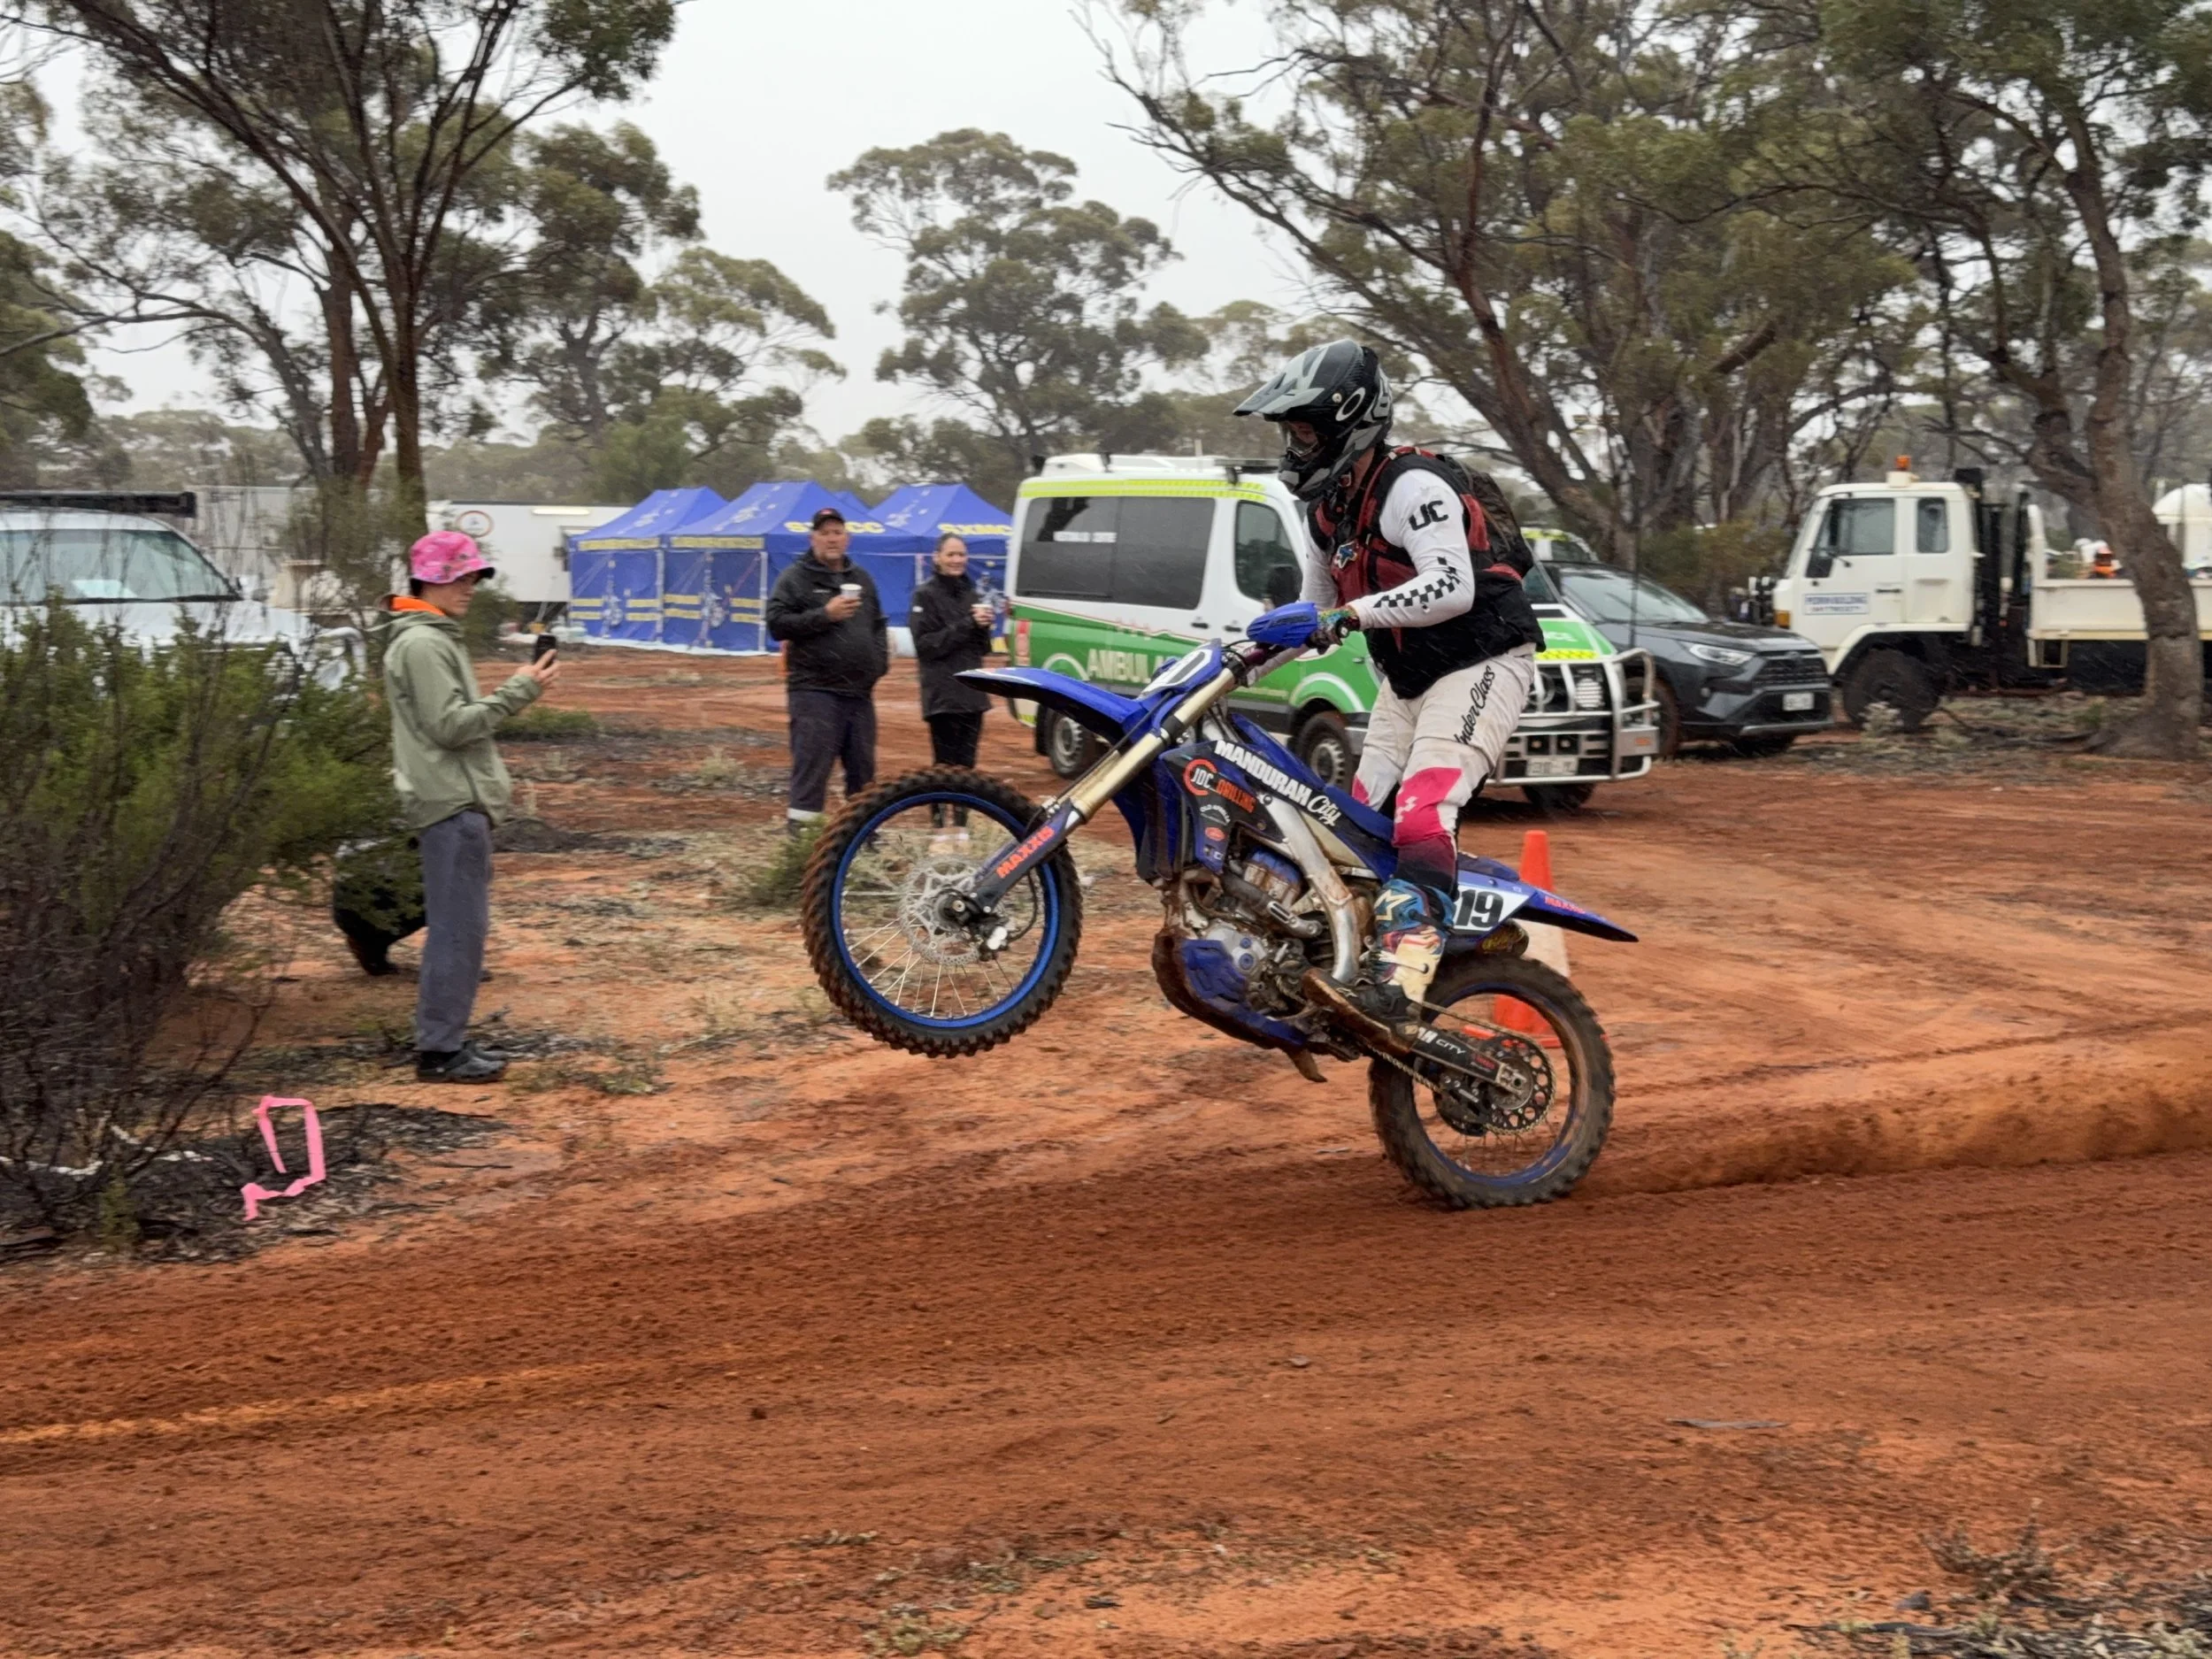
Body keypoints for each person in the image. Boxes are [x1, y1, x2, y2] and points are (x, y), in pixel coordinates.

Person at [1234, 339, 1543, 1024]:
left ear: (1350, 424)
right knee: (1352, 826)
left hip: (1481, 665)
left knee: (1423, 811)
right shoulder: (1327, 514)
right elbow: (1313, 615)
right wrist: (1232, 662)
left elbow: (1453, 585)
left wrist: (1347, 616)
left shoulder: (1413, 485)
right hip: (1406, 683)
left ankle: (1404, 975)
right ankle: (1356, 957)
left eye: (1306, 430)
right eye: (1291, 431)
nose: (1296, 444)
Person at [382, 530, 560, 1082]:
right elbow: (451, 726)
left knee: (458, 927)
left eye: (473, 576)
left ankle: (445, 1042)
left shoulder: (429, 638)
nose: (470, 587)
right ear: (429, 580)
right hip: (452, 803)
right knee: (458, 930)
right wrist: (519, 689)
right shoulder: (423, 644)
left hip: (452, 801)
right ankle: (439, 1051)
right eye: (460, 576)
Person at [765, 505, 888, 833]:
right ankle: (802, 847)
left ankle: (862, 843)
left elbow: (877, 624)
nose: (831, 539)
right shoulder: (795, 578)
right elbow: (776, 624)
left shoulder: (861, 578)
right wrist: (825, 614)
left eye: (837, 532)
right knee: (812, 770)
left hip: (859, 694)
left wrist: (877, 664)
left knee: (863, 774)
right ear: (813, 538)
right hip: (815, 692)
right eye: (824, 533)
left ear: (846, 538)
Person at [908, 533, 995, 837]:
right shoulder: (925, 596)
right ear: (937, 558)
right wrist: (968, 625)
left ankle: (960, 828)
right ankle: (936, 827)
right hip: (943, 695)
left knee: (967, 767)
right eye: (951, 555)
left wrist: (985, 627)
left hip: (973, 694)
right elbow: (927, 646)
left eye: (961, 555)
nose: (957, 560)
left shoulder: (972, 594)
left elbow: (982, 649)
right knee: (944, 766)